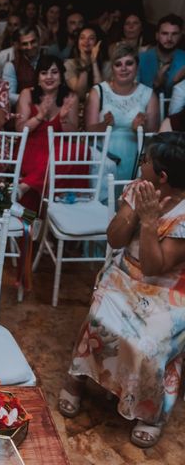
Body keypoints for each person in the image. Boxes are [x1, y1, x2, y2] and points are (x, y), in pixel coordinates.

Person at [58, 132, 185, 448]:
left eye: (145, 162)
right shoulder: (137, 189)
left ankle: (149, 412)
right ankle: (76, 378)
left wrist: (150, 221)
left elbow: (156, 267)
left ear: (163, 176)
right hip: (125, 273)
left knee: (149, 343)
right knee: (99, 317)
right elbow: (114, 239)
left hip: (169, 289)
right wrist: (130, 212)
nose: (140, 164)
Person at [86, 43, 159, 184]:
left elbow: (154, 135)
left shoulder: (148, 94)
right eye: (118, 64)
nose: (123, 68)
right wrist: (104, 125)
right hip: (104, 157)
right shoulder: (98, 91)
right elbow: (89, 131)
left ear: (137, 66)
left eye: (129, 63)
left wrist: (140, 129)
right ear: (112, 68)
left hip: (139, 156)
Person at [15, 55, 80, 211]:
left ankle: (25, 186)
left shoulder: (70, 96)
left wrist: (63, 119)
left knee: (79, 151)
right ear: (38, 77)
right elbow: (19, 129)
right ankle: (31, 227)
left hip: (58, 152)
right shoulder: (27, 93)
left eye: (54, 72)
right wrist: (39, 116)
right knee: (48, 175)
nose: (49, 77)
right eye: (44, 72)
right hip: (32, 149)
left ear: (61, 76)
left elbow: (73, 134)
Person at [138, 14, 185, 97]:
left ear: (180, 36)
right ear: (157, 35)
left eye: (174, 34)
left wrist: (175, 83)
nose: (169, 39)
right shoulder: (140, 59)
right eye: (165, 33)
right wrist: (155, 84)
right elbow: (132, 94)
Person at [64, 26, 109, 101]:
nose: (86, 41)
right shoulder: (69, 64)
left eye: (91, 38)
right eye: (82, 38)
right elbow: (80, 95)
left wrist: (94, 62)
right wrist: (84, 63)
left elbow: (100, 94)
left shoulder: (107, 65)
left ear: (98, 42)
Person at [3, 26, 43, 106]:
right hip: (24, 111)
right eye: (25, 44)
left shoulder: (50, 60)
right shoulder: (11, 66)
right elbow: (9, 96)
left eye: (33, 42)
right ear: (18, 45)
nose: (30, 47)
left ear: (39, 40)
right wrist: (32, 98)